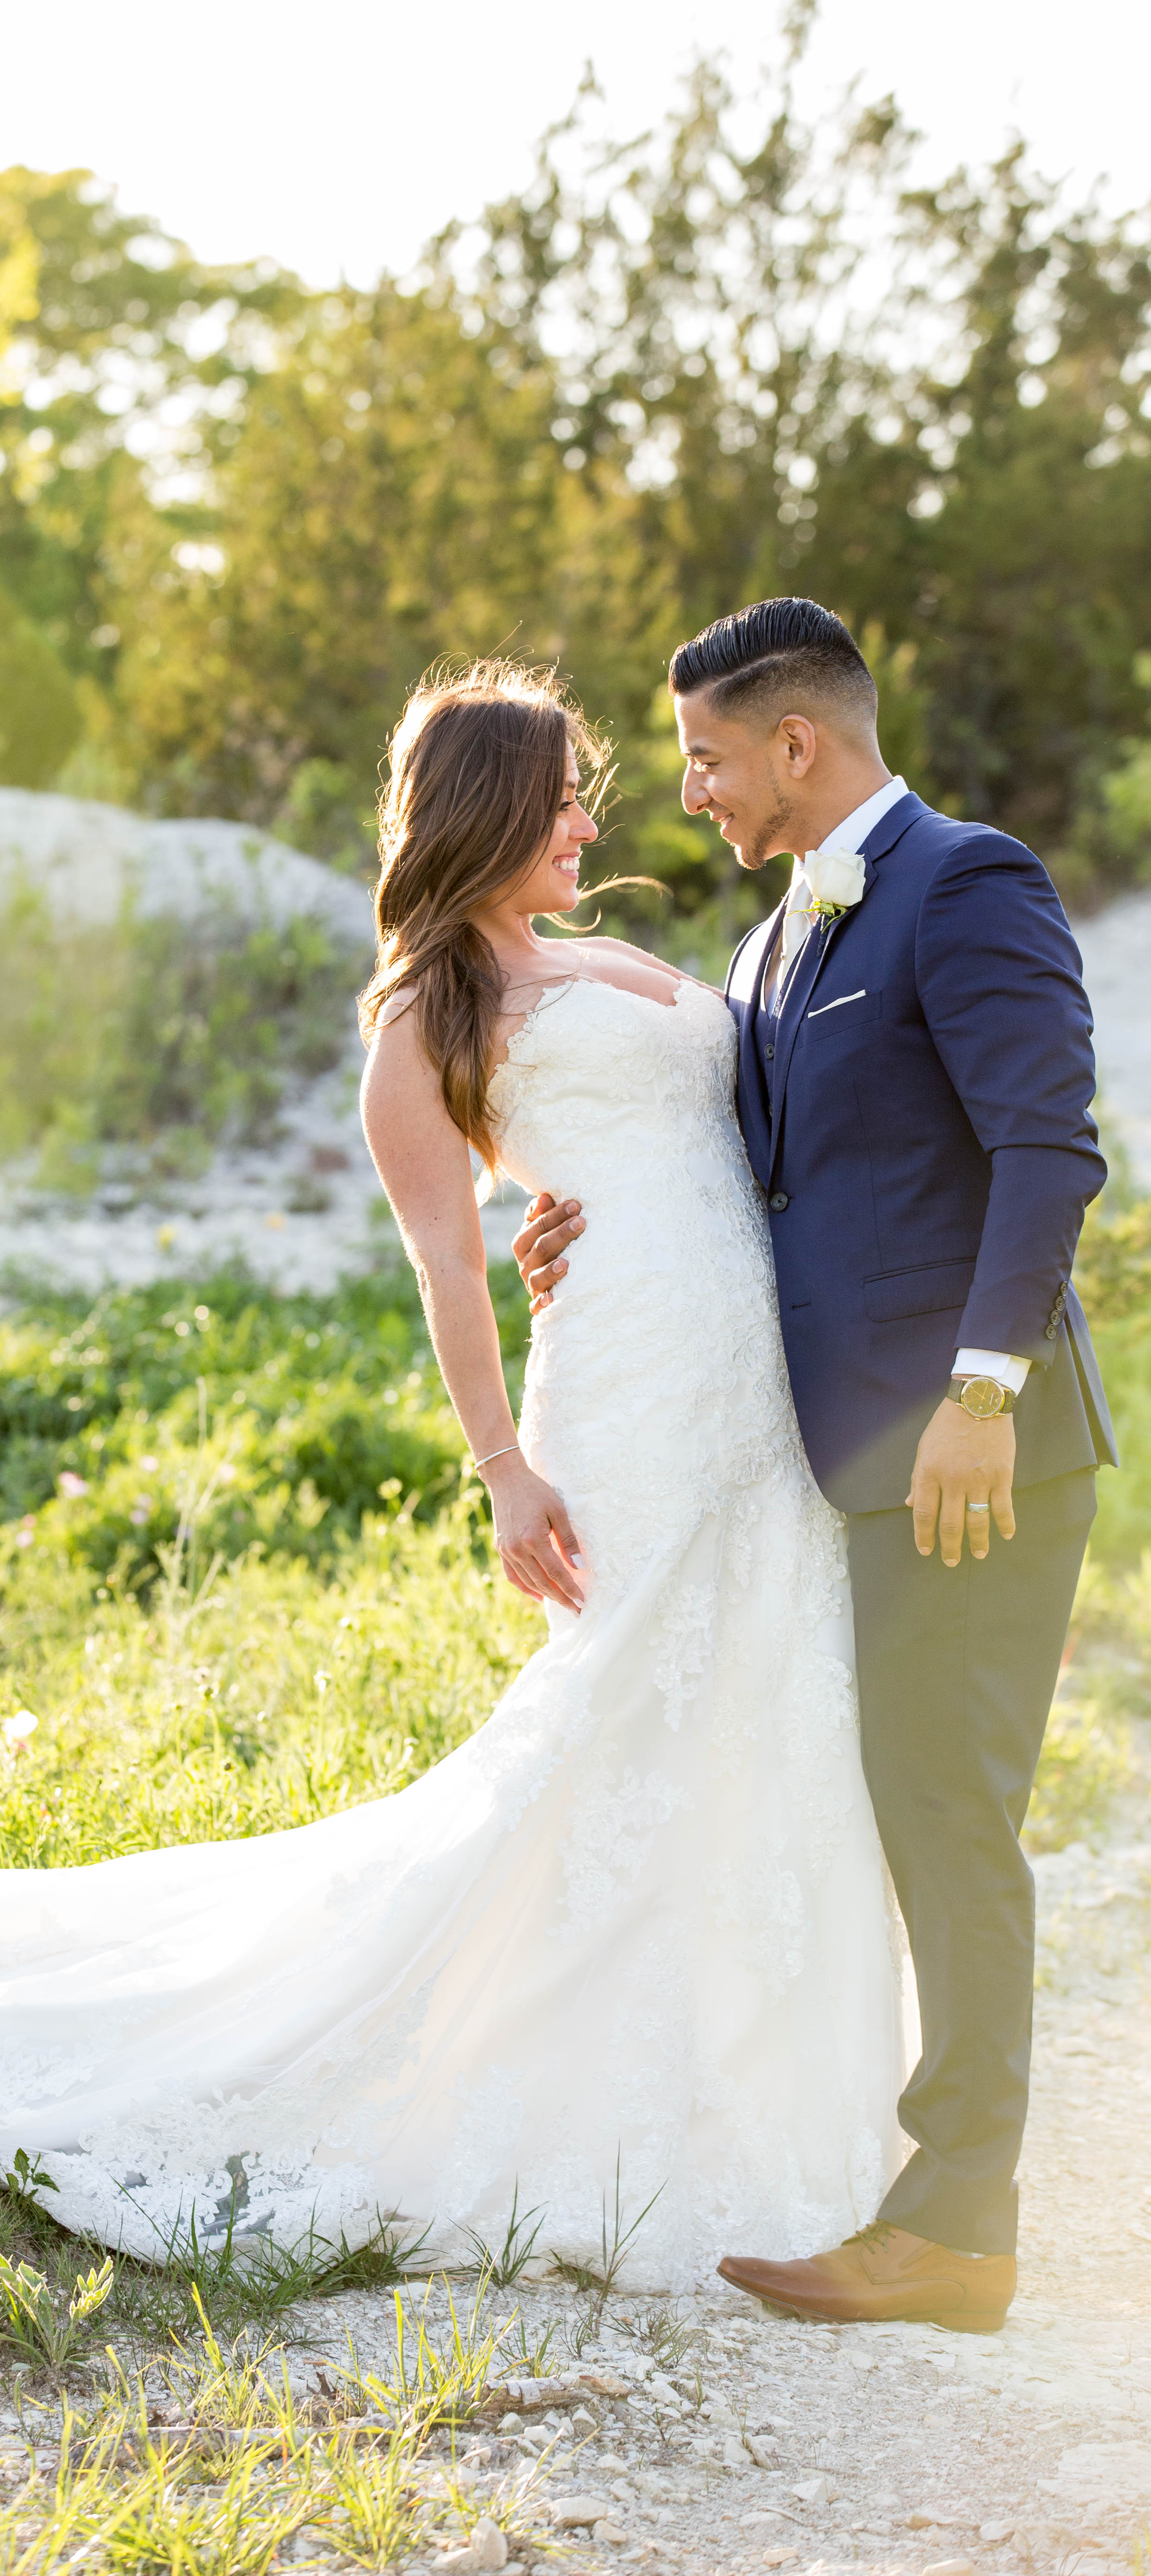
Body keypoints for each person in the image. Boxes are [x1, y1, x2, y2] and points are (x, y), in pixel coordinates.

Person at [0, 658, 908, 2290]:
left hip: (751, 1387)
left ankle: (758, 2062)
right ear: (485, 809)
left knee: (764, 1693)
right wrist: (501, 1470)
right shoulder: (424, 1026)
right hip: (625, 1396)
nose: (587, 817)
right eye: (560, 791)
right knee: (626, 1705)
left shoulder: (614, 957)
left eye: (588, 791)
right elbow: (444, 1264)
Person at [514, 599, 1113, 2331]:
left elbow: (1044, 1148)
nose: (688, 791)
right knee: (889, 1805)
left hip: (969, 1456)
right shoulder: (779, 936)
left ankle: (958, 2231)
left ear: (798, 742)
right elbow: (765, 1177)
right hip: (835, 1461)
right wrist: (592, 1231)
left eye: (704, 757)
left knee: (951, 1812)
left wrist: (982, 1394)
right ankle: (912, 2186)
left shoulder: (968, 881)